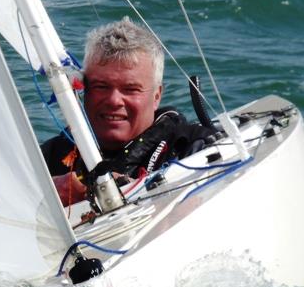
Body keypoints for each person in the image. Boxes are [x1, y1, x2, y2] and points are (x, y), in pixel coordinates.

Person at [41, 17, 217, 206]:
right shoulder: (48, 159)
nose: (114, 100)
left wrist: (125, 193)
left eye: (131, 89)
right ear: (83, 89)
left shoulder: (193, 148)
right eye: (101, 86)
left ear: (156, 96)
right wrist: (44, 201)